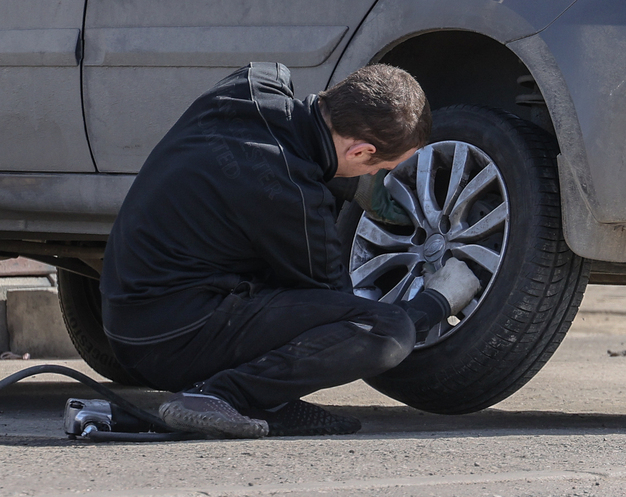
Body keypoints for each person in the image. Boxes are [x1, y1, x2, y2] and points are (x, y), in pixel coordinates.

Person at [100, 62, 480, 438]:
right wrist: (436, 302)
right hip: (169, 343)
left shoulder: (252, 83)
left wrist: (341, 182)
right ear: (362, 152)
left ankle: (244, 394)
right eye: (378, 169)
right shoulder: (295, 202)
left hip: (128, 312)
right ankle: (219, 396)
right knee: (388, 331)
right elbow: (344, 321)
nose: (372, 178)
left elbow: (277, 152)